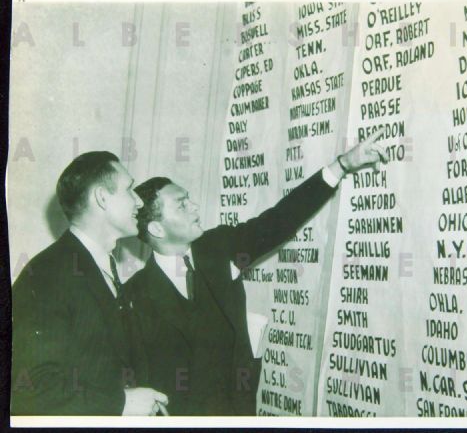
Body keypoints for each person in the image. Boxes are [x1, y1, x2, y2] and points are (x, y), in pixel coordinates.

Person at [127, 130, 389, 415]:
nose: (194, 207)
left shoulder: (219, 246)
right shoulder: (134, 295)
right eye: (181, 204)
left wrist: (342, 165)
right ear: (156, 228)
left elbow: (279, 221)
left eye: (189, 199)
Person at [11, 151, 169, 416]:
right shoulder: (46, 275)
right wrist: (120, 404)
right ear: (101, 198)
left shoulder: (98, 265)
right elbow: (29, 389)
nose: (139, 201)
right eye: (129, 189)